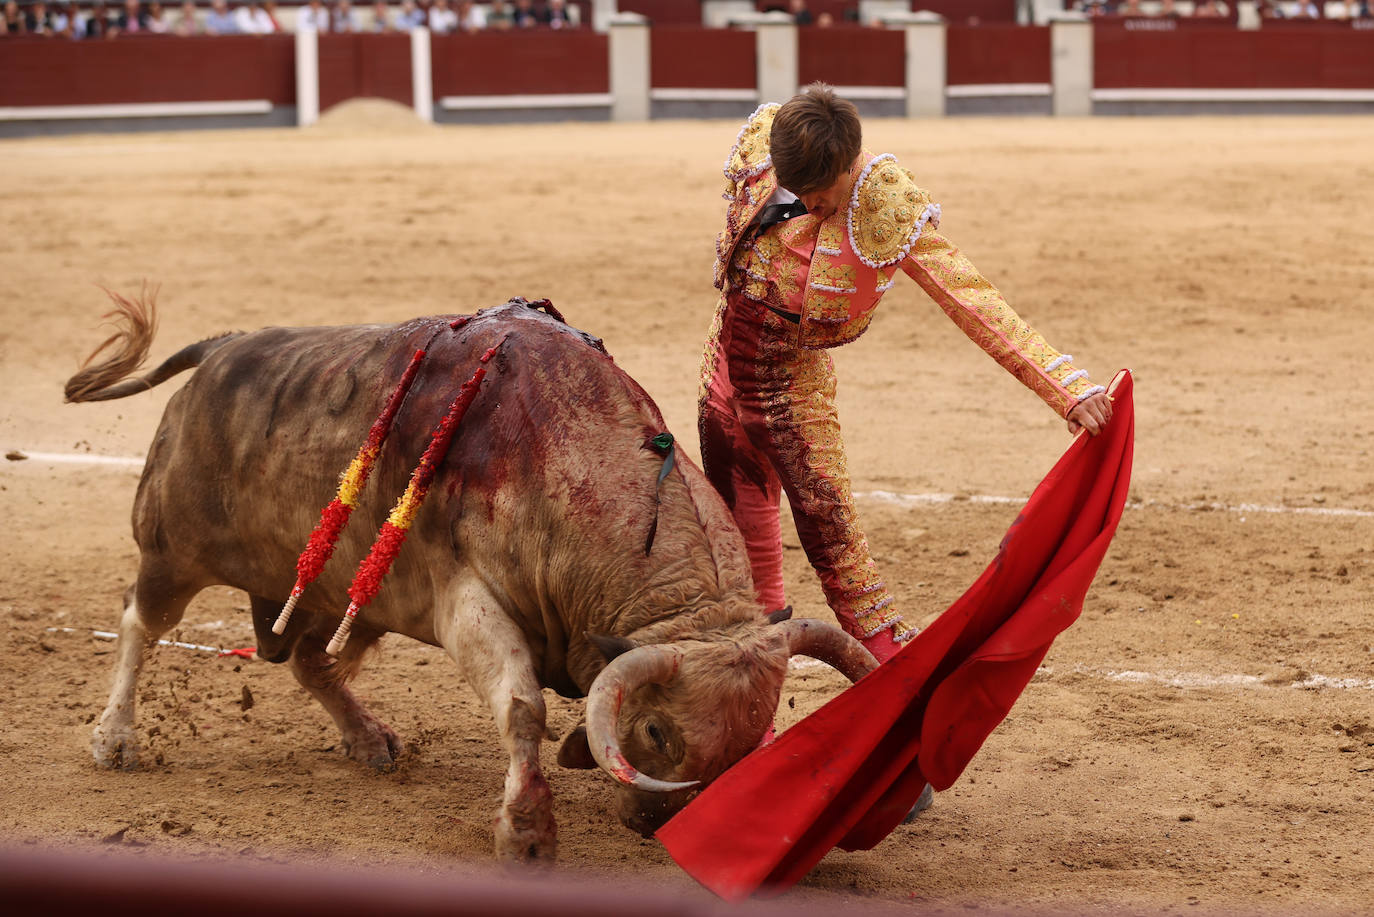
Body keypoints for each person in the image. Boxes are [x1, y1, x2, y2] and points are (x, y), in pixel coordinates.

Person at [698, 86, 1113, 663]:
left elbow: (968, 295)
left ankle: (905, 706)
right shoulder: (771, 143)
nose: (808, 200)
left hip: (794, 393)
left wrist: (1065, 389)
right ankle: (754, 730)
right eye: (798, 188)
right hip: (721, 383)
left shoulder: (884, 201)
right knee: (743, 575)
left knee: (843, 563)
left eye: (822, 190)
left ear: (848, 166)